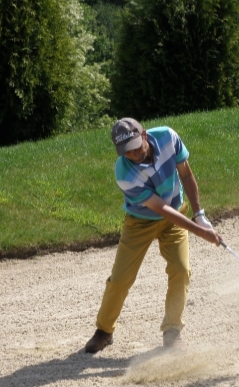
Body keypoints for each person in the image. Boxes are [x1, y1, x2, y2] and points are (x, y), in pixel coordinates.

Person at [85, 118, 223, 353]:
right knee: (119, 279)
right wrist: (200, 232)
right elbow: (162, 210)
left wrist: (199, 213)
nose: (134, 154)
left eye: (137, 146)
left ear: (145, 135)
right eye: (127, 152)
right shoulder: (124, 173)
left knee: (181, 269)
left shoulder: (168, 138)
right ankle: (104, 330)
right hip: (140, 223)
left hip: (175, 214)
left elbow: (187, 176)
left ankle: (172, 332)